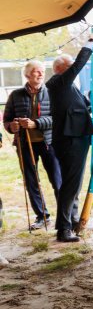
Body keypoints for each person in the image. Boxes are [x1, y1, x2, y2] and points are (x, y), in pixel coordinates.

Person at [46, 34, 93, 243]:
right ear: (61, 69)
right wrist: (90, 42)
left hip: (76, 137)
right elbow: (78, 63)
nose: (74, 70)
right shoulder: (59, 82)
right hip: (70, 140)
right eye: (70, 67)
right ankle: (63, 230)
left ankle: (71, 220)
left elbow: (78, 106)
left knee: (74, 184)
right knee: (70, 185)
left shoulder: (67, 86)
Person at [3, 60, 63, 230]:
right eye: (36, 71)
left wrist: (35, 124)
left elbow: (57, 118)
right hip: (24, 144)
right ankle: (42, 216)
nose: (40, 73)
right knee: (31, 181)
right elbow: (7, 119)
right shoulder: (16, 95)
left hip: (49, 143)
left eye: (42, 71)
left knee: (57, 179)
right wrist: (11, 126)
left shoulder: (52, 93)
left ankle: (64, 215)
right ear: (27, 75)